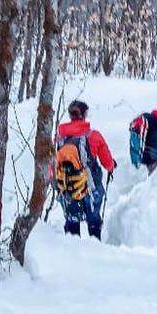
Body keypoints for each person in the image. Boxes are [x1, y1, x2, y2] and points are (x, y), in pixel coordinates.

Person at [55, 101, 117, 239]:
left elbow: (53, 163)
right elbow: (107, 163)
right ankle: (95, 248)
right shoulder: (93, 136)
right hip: (91, 187)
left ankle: (72, 251)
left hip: (68, 187)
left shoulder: (60, 138)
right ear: (84, 114)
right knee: (93, 219)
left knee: (72, 220)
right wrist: (112, 166)